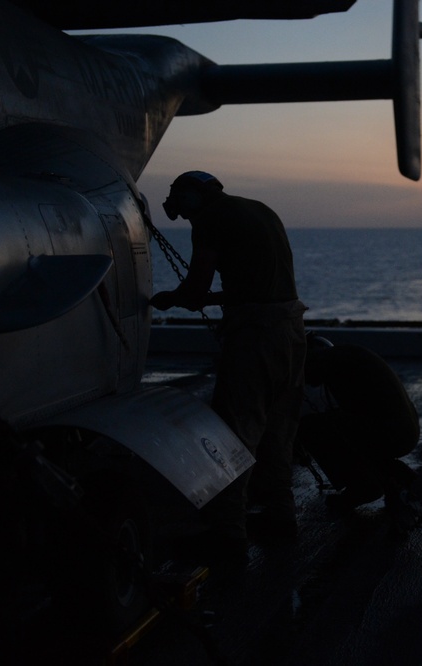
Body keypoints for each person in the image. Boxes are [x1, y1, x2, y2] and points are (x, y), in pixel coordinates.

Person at [150, 171, 307, 564]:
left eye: (184, 211)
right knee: (278, 429)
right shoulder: (260, 210)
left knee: (233, 433)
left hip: (254, 336)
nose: (186, 219)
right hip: (291, 332)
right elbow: (257, 284)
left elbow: (195, 287)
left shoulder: (211, 220)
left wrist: (174, 299)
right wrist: (207, 298)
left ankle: (227, 536)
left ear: (190, 201)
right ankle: (280, 516)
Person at [297, 337, 419, 511]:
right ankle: (393, 474)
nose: (306, 380)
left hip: (394, 434)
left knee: (311, 427)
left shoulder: (333, 368)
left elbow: (351, 434)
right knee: (340, 425)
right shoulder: (349, 358)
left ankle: (363, 487)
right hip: (407, 430)